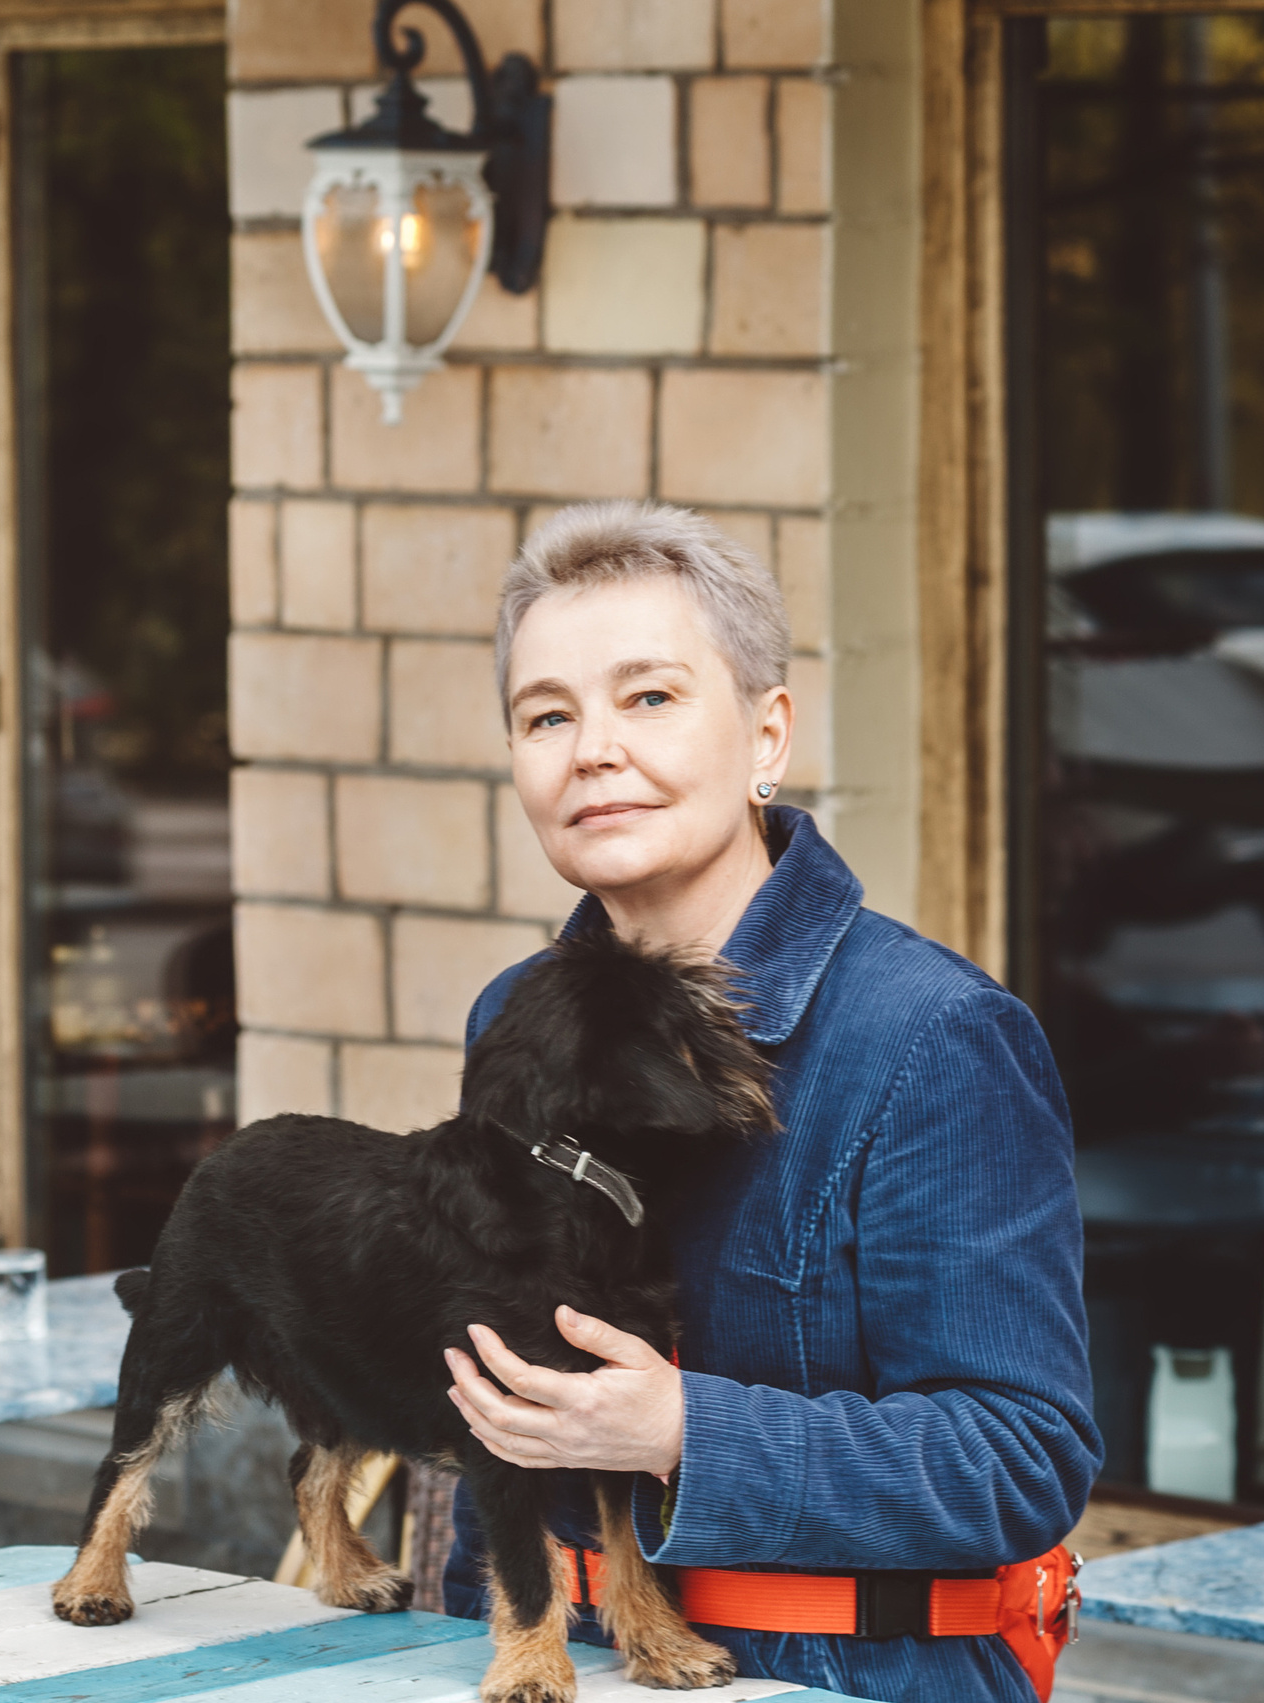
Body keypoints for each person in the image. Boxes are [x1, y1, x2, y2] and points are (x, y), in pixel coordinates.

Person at [434, 503, 1100, 1703]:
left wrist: (681, 1428)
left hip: (851, 1673)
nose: (590, 748)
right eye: (546, 715)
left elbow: (1018, 1459)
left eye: (648, 698)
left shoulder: (932, 1036)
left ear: (765, 734)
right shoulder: (511, 1020)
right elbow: (505, 1423)